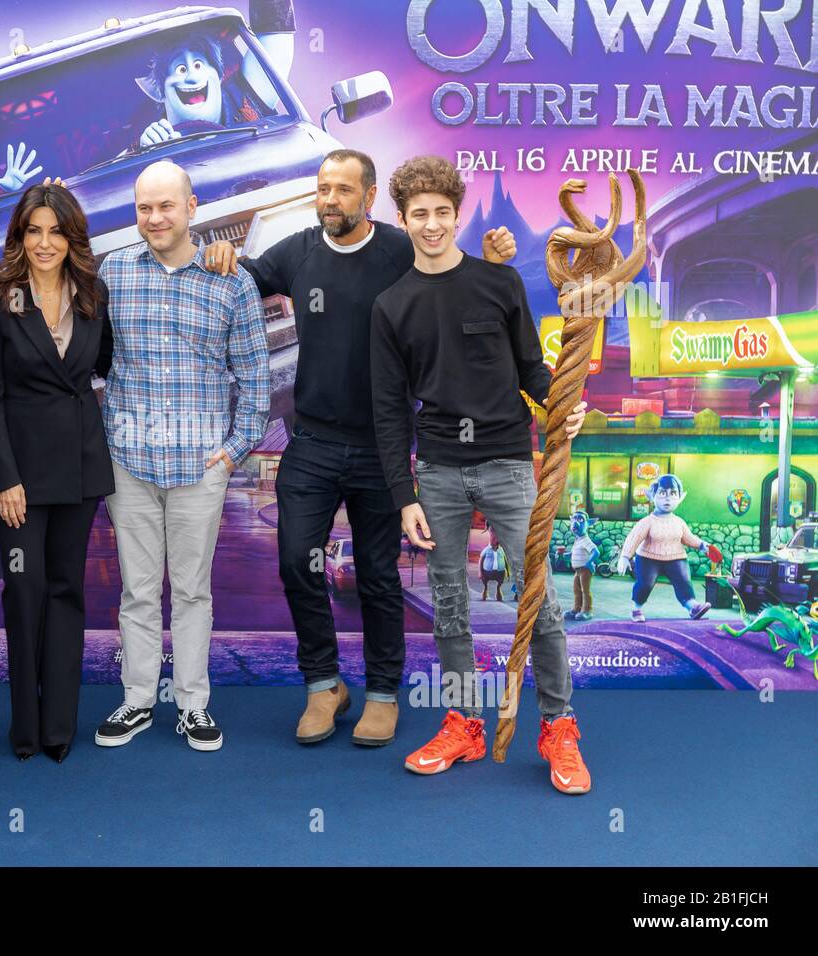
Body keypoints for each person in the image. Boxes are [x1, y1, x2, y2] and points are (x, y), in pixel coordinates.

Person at [202, 149, 519, 747]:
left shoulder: (401, 251)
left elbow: (458, 276)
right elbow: (244, 274)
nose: (330, 200)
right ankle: (323, 685)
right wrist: (221, 257)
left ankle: (380, 693)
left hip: (382, 445)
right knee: (297, 560)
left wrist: (496, 256)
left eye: (344, 190)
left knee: (377, 575)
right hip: (312, 441)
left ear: (369, 198)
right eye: (323, 188)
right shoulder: (298, 251)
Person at [370, 155, 591, 795]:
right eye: (420, 215)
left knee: (539, 601)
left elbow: (531, 369)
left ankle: (559, 727)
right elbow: (388, 411)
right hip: (436, 470)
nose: (432, 225)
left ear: (457, 214)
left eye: (443, 213)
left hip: (507, 464)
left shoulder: (498, 284)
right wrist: (403, 493)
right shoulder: (391, 305)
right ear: (403, 219)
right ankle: (465, 721)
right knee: (448, 608)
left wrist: (559, 409)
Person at [94, 160, 269, 752]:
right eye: (144, 207)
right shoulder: (112, 274)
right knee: (139, 592)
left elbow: (254, 377)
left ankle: (193, 705)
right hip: (129, 462)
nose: (155, 218)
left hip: (202, 468)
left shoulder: (232, 280)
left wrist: (231, 452)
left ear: (192, 208)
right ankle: (138, 700)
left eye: (166, 206)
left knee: (192, 591)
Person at [0, 183, 114, 763]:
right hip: (20, 478)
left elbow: (99, 367)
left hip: (80, 469)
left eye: (56, 231)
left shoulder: (93, 294)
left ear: (71, 237)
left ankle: (59, 726)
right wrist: (4, 477)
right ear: (19, 236)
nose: (45, 242)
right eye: (34, 230)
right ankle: (24, 727)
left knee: (67, 592)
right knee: (24, 590)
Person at [617, 474, 718, 621]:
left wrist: (703, 545)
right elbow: (634, 538)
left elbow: (689, 538)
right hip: (648, 558)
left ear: (680, 498)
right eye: (662, 493)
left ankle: (692, 606)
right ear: (653, 496)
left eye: (673, 494)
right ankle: (636, 608)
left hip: (676, 558)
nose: (667, 498)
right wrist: (625, 557)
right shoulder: (647, 522)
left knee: (684, 582)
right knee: (645, 585)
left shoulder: (679, 522)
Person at [478, 530, 507, 601]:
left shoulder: (501, 550)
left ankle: (498, 589)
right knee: (485, 581)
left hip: (500, 572)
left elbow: (505, 559)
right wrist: (480, 571)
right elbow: (481, 560)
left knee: (500, 581)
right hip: (487, 572)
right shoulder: (486, 550)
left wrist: (506, 571)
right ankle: (485, 588)